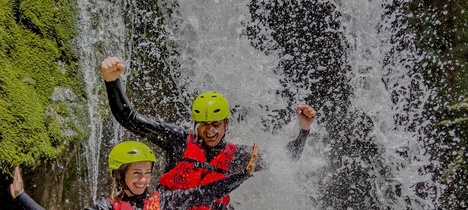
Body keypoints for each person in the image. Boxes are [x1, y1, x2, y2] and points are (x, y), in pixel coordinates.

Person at [101, 56, 316, 210]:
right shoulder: (178, 141)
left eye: (215, 124)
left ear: (225, 123)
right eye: (203, 124)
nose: (210, 131)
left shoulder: (240, 156)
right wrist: (112, 82)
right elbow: (130, 119)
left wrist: (304, 129)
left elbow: (289, 157)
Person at [10, 141, 259, 210]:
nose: (143, 180)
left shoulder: (162, 201)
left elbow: (204, 194)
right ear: (120, 176)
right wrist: (21, 196)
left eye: (148, 173)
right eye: (136, 173)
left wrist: (242, 176)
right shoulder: (105, 208)